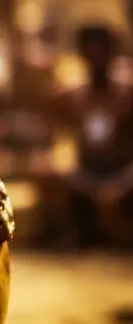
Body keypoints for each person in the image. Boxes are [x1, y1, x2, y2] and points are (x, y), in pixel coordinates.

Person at [54, 25, 133, 247]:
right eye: (90, 51)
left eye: (102, 50)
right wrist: (81, 180)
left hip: (125, 177)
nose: (96, 58)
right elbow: (62, 145)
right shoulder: (70, 97)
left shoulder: (128, 94)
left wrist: (121, 185)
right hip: (86, 178)